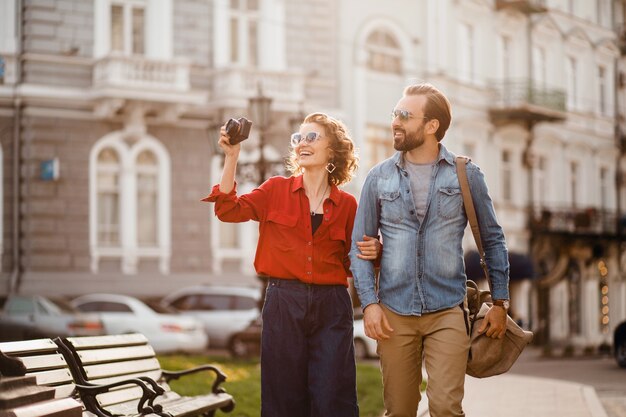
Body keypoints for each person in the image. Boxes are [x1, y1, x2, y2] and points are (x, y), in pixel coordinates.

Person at [202, 112, 380, 417]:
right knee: (283, 397)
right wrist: (232, 156)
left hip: (332, 306)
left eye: (312, 137)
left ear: (333, 150)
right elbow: (228, 210)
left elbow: (359, 261)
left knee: (333, 396)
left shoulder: (349, 205)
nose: (301, 143)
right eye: (298, 138)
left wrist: (375, 249)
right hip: (284, 302)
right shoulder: (274, 190)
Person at [349, 83, 510, 417]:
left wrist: (500, 301)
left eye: (405, 115)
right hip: (393, 312)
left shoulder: (466, 175)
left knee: (447, 408)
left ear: (431, 125)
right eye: (395, 114)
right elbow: (359, 247)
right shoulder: (379, 178)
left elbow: (493, 240)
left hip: (446, 310)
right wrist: (370, 305)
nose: (395, 122)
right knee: (400, 410)